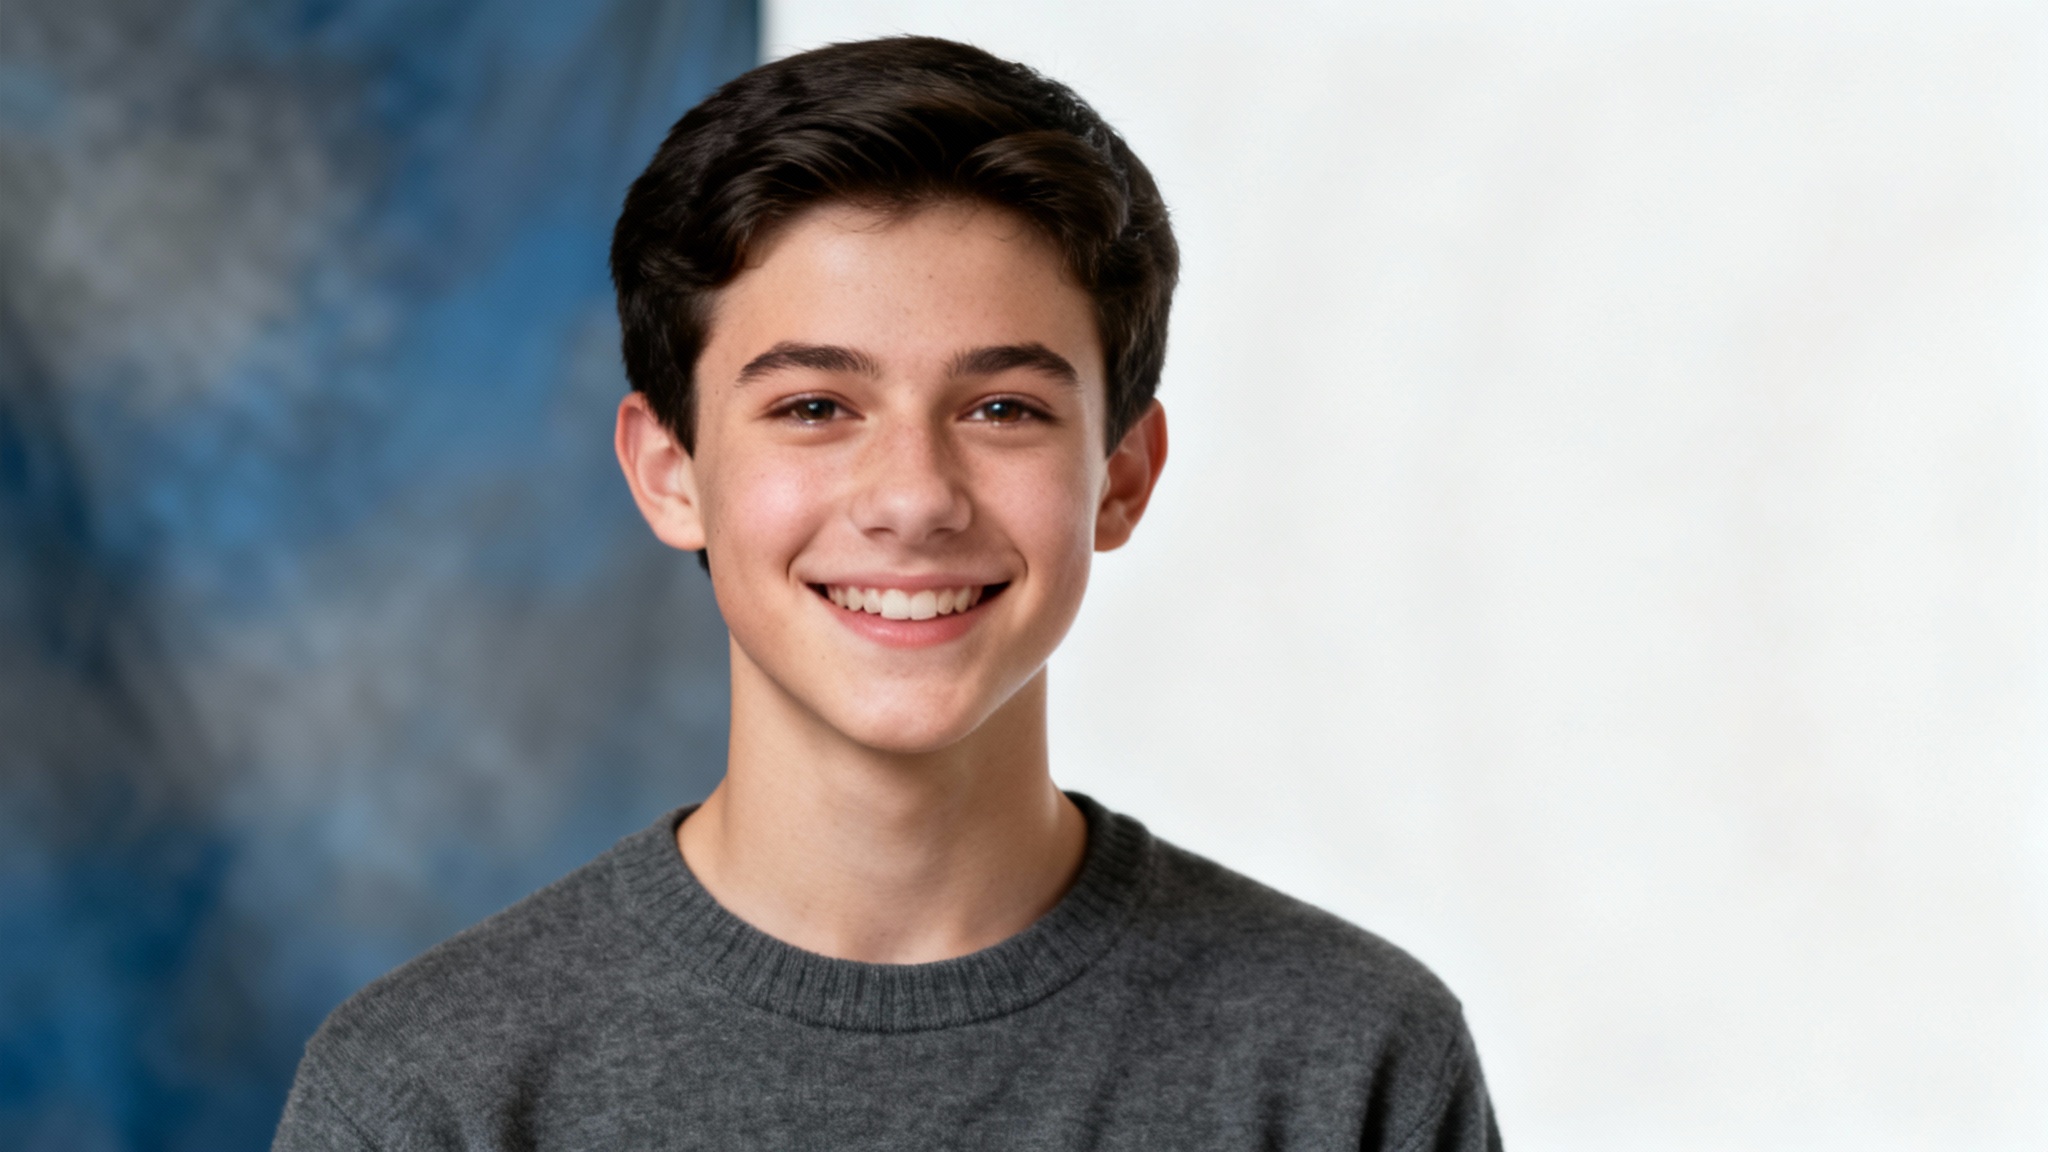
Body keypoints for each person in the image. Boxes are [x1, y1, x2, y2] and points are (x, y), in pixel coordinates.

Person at [273, 36, 1502, 1150]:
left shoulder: (1347, 1069)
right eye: (814, 407)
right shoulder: (431, 1096)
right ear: (671, 473)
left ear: (1120, 478)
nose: (913, 498)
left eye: (1002, 410)